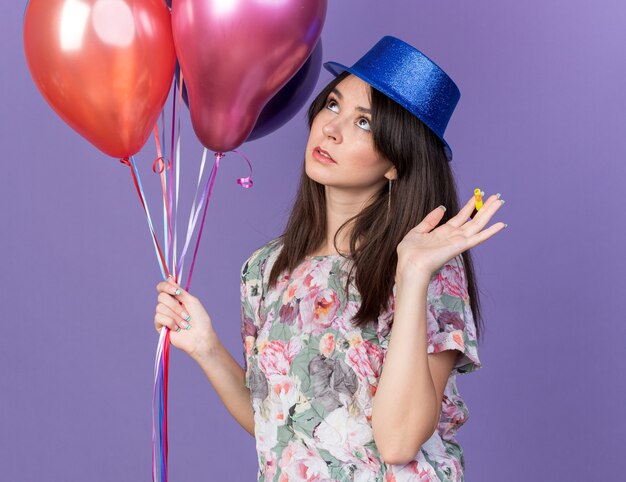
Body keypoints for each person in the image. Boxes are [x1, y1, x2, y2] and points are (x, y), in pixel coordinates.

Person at [153, 36, 506, 481]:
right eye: (333, 105)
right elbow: (280, 424)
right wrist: (207, 348)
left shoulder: (428, 266)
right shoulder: (265, 269)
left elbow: (398, 443)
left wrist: (413, 274)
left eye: (364, 122)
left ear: (396, 161)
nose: (331, 129)